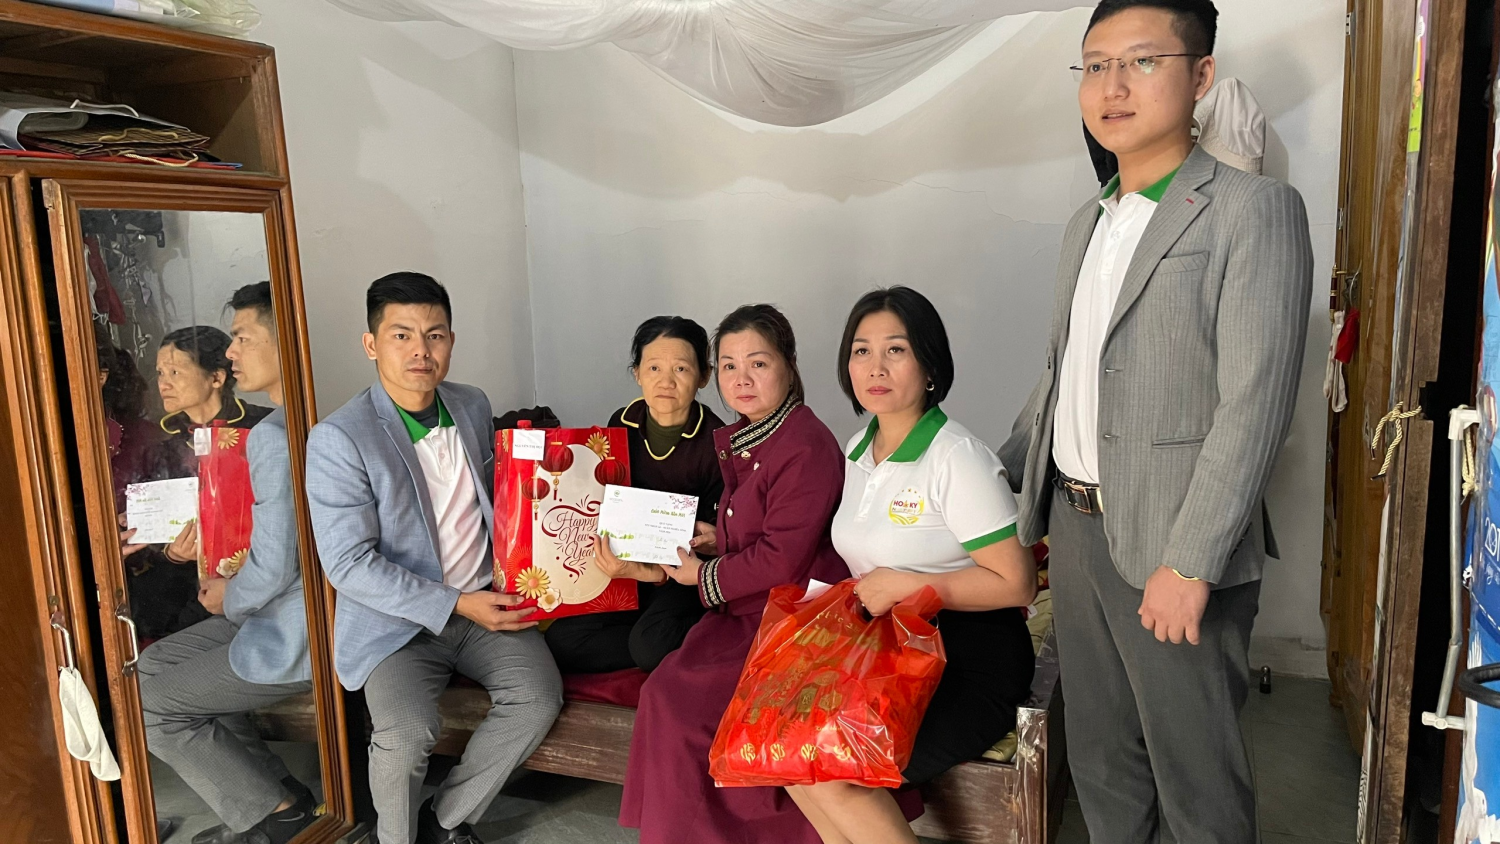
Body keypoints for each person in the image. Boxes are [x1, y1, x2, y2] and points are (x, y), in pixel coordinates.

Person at [997, 2, 1314, 842]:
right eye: (1096, 65)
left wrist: (1191, 560)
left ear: (1200, 75)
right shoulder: (1089, 223)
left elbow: (1256, 403)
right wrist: (999, 481)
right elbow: (1065, 375)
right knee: (1102, 759)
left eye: (1141, 61)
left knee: (1195, 777)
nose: (1113, 86)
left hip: (1174, 541)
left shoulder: (1252, 210)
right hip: (1077, 529)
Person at [305, 272, 562, 844]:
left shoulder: (471, 405)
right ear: (371, 344)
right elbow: (348, 564)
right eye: (402, 335)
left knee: (538, 698)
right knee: (406, 731)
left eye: (435, 335)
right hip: (397, 624)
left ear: (450, 341)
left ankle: (443, 822)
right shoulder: (339, 438)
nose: (421, 350)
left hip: (486, 604)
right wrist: (457, 603)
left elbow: (502, 503)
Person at [787, 287, 1038, 844]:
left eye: (895, 350)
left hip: (966, 658)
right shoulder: (857, 449)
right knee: (798, 756)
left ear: (929, 366)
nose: (875, 367)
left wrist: (908, 585)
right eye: (861, 351)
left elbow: (1017, 583)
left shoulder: (958, 458)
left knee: (840, 774)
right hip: (888, 652)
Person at [619, 304, 850, 844]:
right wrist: (715, 537)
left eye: (758, 364)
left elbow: (782, 557)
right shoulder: (756, 434)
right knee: (663, 691)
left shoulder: (804, 444)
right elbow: (762, 527)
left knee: (681, 706)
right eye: (729, 366)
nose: (741, 379)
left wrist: (701, 576)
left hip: (790, 616)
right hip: (750, 605)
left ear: (789, 366)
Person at [136, 282, 316, 844]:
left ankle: (276, 815)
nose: (232, 352)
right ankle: (279, 796)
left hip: (271, 606)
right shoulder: (168, 444)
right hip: (218, 590)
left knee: (148, 705)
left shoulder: (265, 432)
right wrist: (172, 551)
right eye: (159, 372)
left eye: (241, 338)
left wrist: (228, 594)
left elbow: (278, 557)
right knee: (150, 667)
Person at [547, 316, 726, 673]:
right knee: (560, 641)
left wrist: (657, 569)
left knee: (650, 647)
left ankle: (681, 635)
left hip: (683, 576)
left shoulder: (718, 441)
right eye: (654, 367)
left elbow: (718, 540)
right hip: (626, 569)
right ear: (637, 373)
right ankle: (647, 636)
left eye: (681, 369)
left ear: (704, 376)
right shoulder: (621, 423)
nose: (666, 381)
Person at [153, 324, 273, 479]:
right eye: (160, 373)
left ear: (216, 378)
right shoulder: (162, 447)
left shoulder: (263, 427)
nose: (163, 385)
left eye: (174, 372)